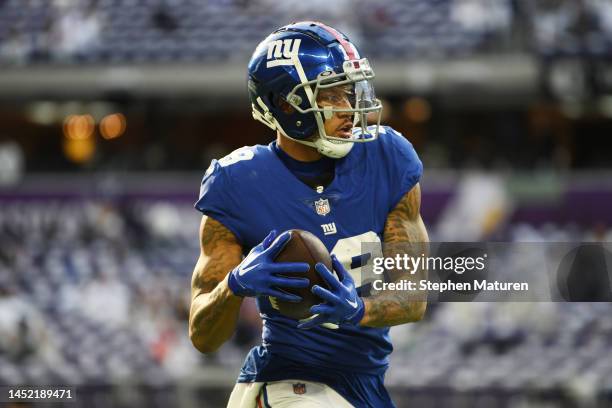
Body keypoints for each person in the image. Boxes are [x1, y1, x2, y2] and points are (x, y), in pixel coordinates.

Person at [189, 21, 429, 407]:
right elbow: (203, 336)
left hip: (364, 384)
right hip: (286, 380)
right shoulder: (237, 181)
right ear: (287, 104)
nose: (350, 107)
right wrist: (234, 285)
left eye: (350, 91)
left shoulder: (388, 157)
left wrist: (358, 310)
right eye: (331, 95)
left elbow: (414, 297)